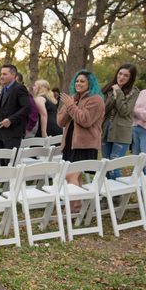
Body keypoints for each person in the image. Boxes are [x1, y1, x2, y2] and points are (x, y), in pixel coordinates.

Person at [57, 70, 105, 211]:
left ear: (90, 83)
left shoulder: (96, 100)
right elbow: (60, 121)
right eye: (77, 81)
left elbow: (85, 120)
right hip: (70, 142)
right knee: (74, 176)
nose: (78, 83)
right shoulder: (73, 98)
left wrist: (71, 105)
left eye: (82, 81)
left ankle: (74, 204)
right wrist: (69, 105)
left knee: (70, 174)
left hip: (85, 144)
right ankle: (76, 204)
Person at [101, 64, 139, 178]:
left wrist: (118, 92)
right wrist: (113, 95)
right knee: (105, 166)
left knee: (114, 168)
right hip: (106, 130)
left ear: (131, 78)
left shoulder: (134, 92)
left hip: (121, 133)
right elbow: (104, 110)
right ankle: (106, 194)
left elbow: (124, 111)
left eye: (126, 76)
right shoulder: (109, 89)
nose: (121, 77)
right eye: (120, 74)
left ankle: (116, 195)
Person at [0, 64, 31, 151]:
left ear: (13, 75)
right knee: (0, 162)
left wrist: (11, 120)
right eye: (1, 74)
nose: (1, 77)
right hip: (0, 132)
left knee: (8, 162)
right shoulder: (4, 89)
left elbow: (26, 108)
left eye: (4, 74)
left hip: (12, 133)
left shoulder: (19, 88)